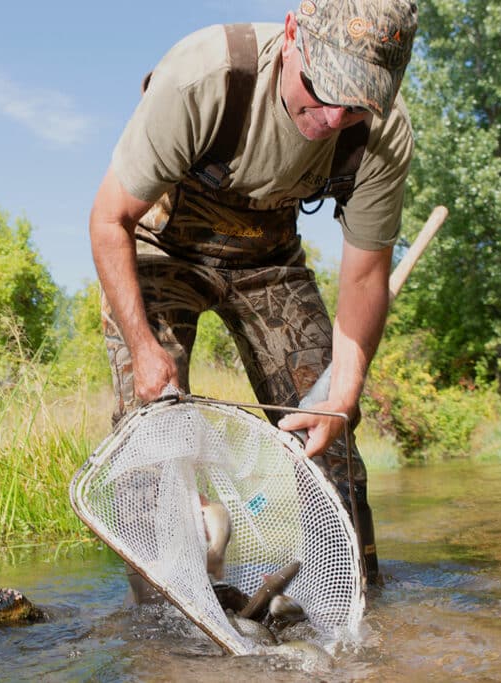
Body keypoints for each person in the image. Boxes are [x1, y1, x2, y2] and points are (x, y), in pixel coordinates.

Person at [89, 0, 418, 597]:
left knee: (333, 427)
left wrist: (344, 387)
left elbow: (366, 278)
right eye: (322, 91)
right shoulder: (205, 76)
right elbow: (108, 218)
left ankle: (353, 604)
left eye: (356, 103)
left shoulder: (382, 134)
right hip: (161, 248)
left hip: (269, 261)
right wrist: (143, 348)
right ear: (292, 36)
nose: (332, 117)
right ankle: (169, 623)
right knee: (149, 432)